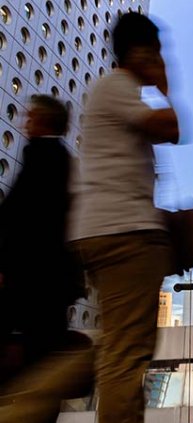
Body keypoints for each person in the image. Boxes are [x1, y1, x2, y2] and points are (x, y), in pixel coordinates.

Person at [70, 12, 181, 423]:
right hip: (126, 235)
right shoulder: (116, 86)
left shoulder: (114, 91)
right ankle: (29, 397)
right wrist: (166, 86)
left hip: (111, 232)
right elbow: (173, 127)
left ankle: (31, 393)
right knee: (125, 358)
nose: (160, 60)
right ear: (139, 52)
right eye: (156, 53)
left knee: (119, 350)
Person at [0, 95, 92, 423]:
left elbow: (20, 222)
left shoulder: (43, 157)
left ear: (44, 121)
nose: (25, 122)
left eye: (32, 116)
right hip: (50, 282)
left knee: (36, 359)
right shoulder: (62, 160)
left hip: (32, 280)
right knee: (41, 356)